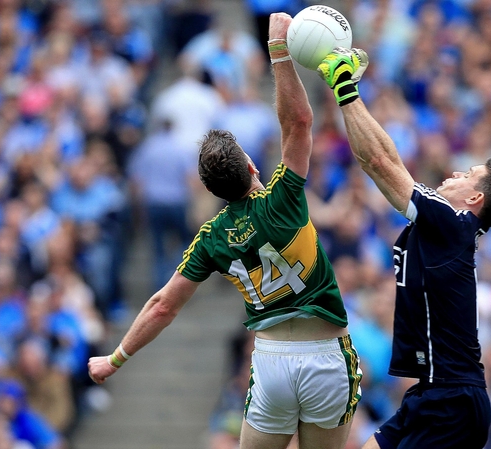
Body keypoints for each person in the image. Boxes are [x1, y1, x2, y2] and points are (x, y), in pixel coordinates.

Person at [87, 13, 362, 449]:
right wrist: (279, 50)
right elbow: (298, 123)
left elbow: (162, 306)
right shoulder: (283, 198)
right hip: (327, 357)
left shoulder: (211, 238)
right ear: (252, 166)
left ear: (210, 189)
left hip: (271, 362)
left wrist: (115, 359)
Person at [316, 48, 491, 448]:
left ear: (475, 198)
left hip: (452, 401)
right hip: (434, 392)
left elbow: (380, 161)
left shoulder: (453, 224)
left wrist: (344, 90)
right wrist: (348, 91)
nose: (456, 172)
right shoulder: (448, 226)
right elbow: (377, 160)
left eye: (468, 173)